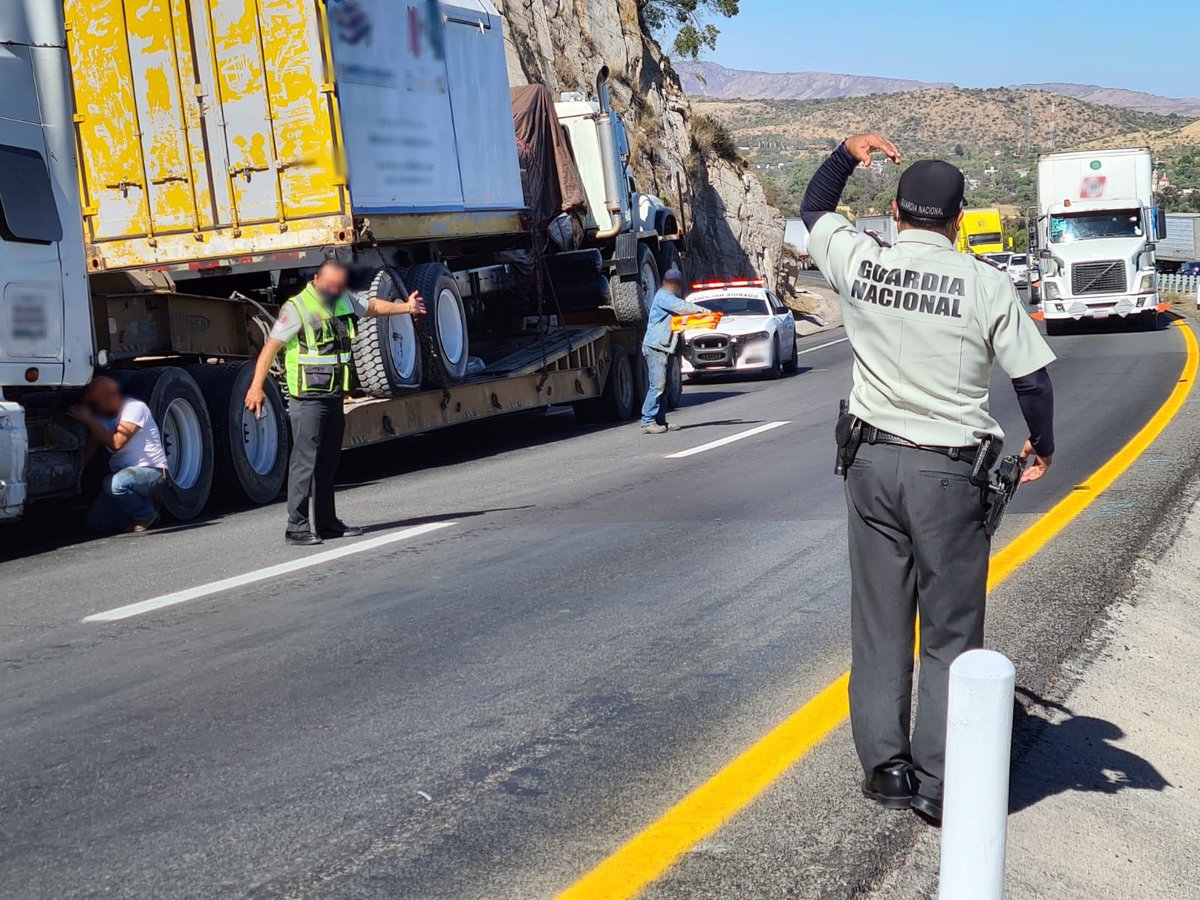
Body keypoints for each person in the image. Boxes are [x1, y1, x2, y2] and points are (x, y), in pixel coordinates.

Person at [800, 134, 1057, 825]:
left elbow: (815, 209)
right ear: (957, 219)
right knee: (948, 631)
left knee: (881, 623)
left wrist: (845, 153)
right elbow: (1031, 379)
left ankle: (886, 767)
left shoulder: (861, 261)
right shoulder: (984, 284)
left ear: (894, 211)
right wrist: (1044, 445)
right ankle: (941, 779)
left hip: (871, 465)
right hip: (949, 476)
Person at [245, 260, 425, 546]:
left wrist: (407, 307)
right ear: (315, 279)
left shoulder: (342, 300)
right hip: (307, 397)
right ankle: (297, 526)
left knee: (328, 462)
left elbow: (374, 307)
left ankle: (327, 523)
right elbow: (271, 348)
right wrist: (256, 387)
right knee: (304, 462)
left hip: (333, 395)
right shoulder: (297, 307)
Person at [69, 376, 168, 534]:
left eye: (96, 402)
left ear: (108, 396)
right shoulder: (103, 417)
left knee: (114, 484)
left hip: (151, 472)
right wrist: (78, 469)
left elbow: (116, 443)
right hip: (125, 477)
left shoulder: (134, 408)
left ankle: (147, 515)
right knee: (97, 523)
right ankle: (143, 507)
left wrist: (89, 419)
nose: (95, 408)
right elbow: (94, 444)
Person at [640, 267, 707, 434]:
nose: (673, 285)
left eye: (675, 283)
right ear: (665, 282)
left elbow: (680, 322)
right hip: (656, 347)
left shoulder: (671, 297)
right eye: (671, 282)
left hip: (666, 347)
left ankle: (660, 421)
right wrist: (705, 312)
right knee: (658, 385)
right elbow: (682, 307)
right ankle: (647, 421)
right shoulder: (664, 296)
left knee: (666, 385)